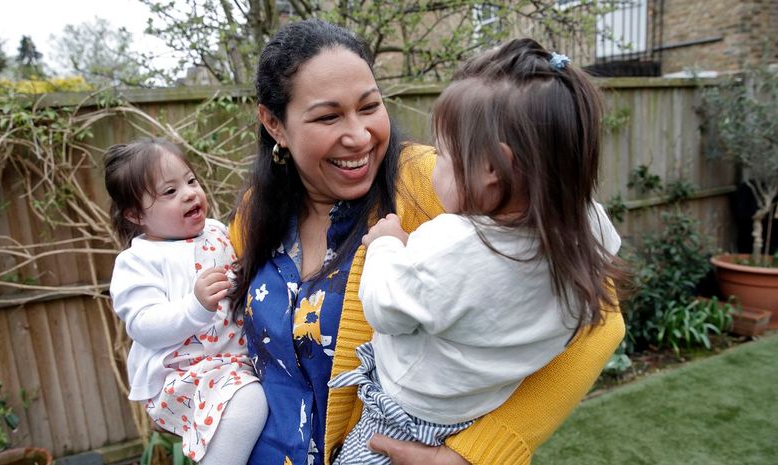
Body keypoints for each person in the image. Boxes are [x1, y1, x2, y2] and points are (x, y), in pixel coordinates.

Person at [229, 19, 625, 465]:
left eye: (369, 106)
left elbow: (599, 321)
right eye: (327, 116)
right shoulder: (255, 213)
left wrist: (471, 454)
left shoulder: (445, 183)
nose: (359, 135)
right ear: (274, 124)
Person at [105, 138, 267, 465]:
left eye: (191, 181)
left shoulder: (218, 231)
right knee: (249, 402)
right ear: (135, 215)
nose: (190, 193)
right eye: (170, 192)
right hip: (181, 371)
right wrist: (194, 306)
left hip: (231, 361)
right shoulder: (139, 260)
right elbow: (143, 325)